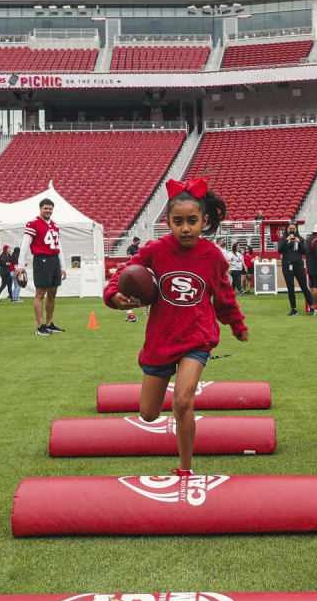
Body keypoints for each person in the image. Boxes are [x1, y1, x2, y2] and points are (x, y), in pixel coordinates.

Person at [105, 176, 247, 477]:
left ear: (203, 221)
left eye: (192, 221)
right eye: (178, 221)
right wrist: (114, 296)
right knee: (148, 414)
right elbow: (124, 274)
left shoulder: (212, 256)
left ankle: (185, 469)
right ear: (167, 222)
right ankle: (148, 362)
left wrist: (236, 324)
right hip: (161, 338)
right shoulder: (156, 250)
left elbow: (224, 296)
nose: (185, 228)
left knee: (182, 400)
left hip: (197, 337)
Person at [16, 197, 67, 335]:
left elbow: (59, 246)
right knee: (40, 293)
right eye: (45, 208)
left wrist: (63, 265)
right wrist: (20, 264)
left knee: (53, 292)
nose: (48, 211)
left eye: (50, 208)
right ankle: (40, 326)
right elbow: (25, 244)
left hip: (54, 259)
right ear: (40, 208)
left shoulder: (55, 225)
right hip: (42, 260)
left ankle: (49, 324)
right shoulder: (33, 224)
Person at [277, 223, 314, 316]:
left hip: (298, 265)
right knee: (290, 288)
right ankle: (294, 309)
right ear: (287, 230)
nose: (292, 230)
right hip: (287, 266)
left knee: (304, 286)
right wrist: (286, 241)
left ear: (296, 230)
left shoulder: (300, 239)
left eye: (294, 228)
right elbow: (279, 250)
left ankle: (312, 307)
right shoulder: (283, 239)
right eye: (290, 228)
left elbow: (305, 252)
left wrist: (299, 243)